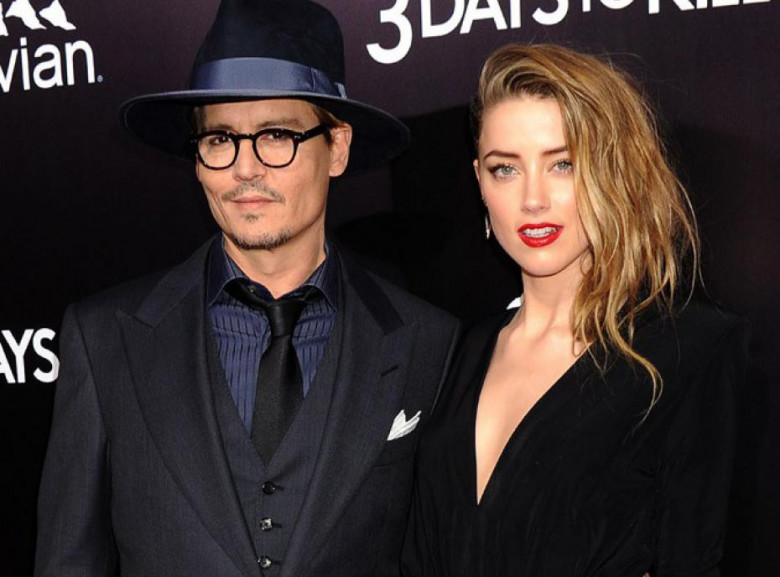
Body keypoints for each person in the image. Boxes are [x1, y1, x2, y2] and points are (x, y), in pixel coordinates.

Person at [34, 1, 459, 576]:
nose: (245, 170)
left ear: (337, 148)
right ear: (198, 158)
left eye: (277, 135)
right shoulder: (103, 338)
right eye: (220, 139)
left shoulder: (428, 342)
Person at [402, 43, 749, 577]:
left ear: (613, 171)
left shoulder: (690, 349)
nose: (533, 199)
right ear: (480, 182)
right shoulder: (456, 353)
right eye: (505, 169)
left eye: (563, 164)